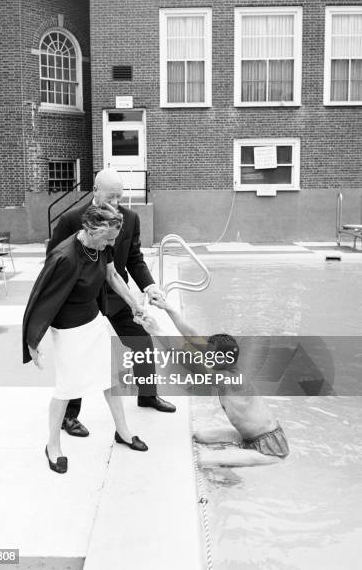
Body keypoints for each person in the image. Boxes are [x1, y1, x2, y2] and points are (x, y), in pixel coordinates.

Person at [47, 168, 175, 439]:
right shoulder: (71, 219)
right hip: (82, 299)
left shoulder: (130, 218)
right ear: (95, 190)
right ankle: (70, 416)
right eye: (111, 196)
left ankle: (148, 395)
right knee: (80, 355)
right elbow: (54, 259)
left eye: (120, 196)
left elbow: (134, 258)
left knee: (141, 340)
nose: (116, 202)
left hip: (116, 294)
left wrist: (149, 287)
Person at [23, 204, 148, 474]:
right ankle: (52, 446)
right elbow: (41, 299)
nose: (112, 244)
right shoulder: (65, 257)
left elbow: (113, 275)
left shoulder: (104, 244)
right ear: (91, 230)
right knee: (67, 389)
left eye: (114, 238)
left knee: (111, 377)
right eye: (109, 239)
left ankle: (123, 432)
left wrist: (133, 303)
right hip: (68, 330)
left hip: (93, 321)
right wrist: (33, 341)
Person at [137, 297, 289, 468]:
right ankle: (237, 454)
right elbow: (192, 336)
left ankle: (232, 482)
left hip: (270, 449)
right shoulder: (225, 363)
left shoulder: (229, 380)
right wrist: (167, 307)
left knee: (205, 462)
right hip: (249, 437)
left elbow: (189, 361)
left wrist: (157, 331)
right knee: (199, 436)